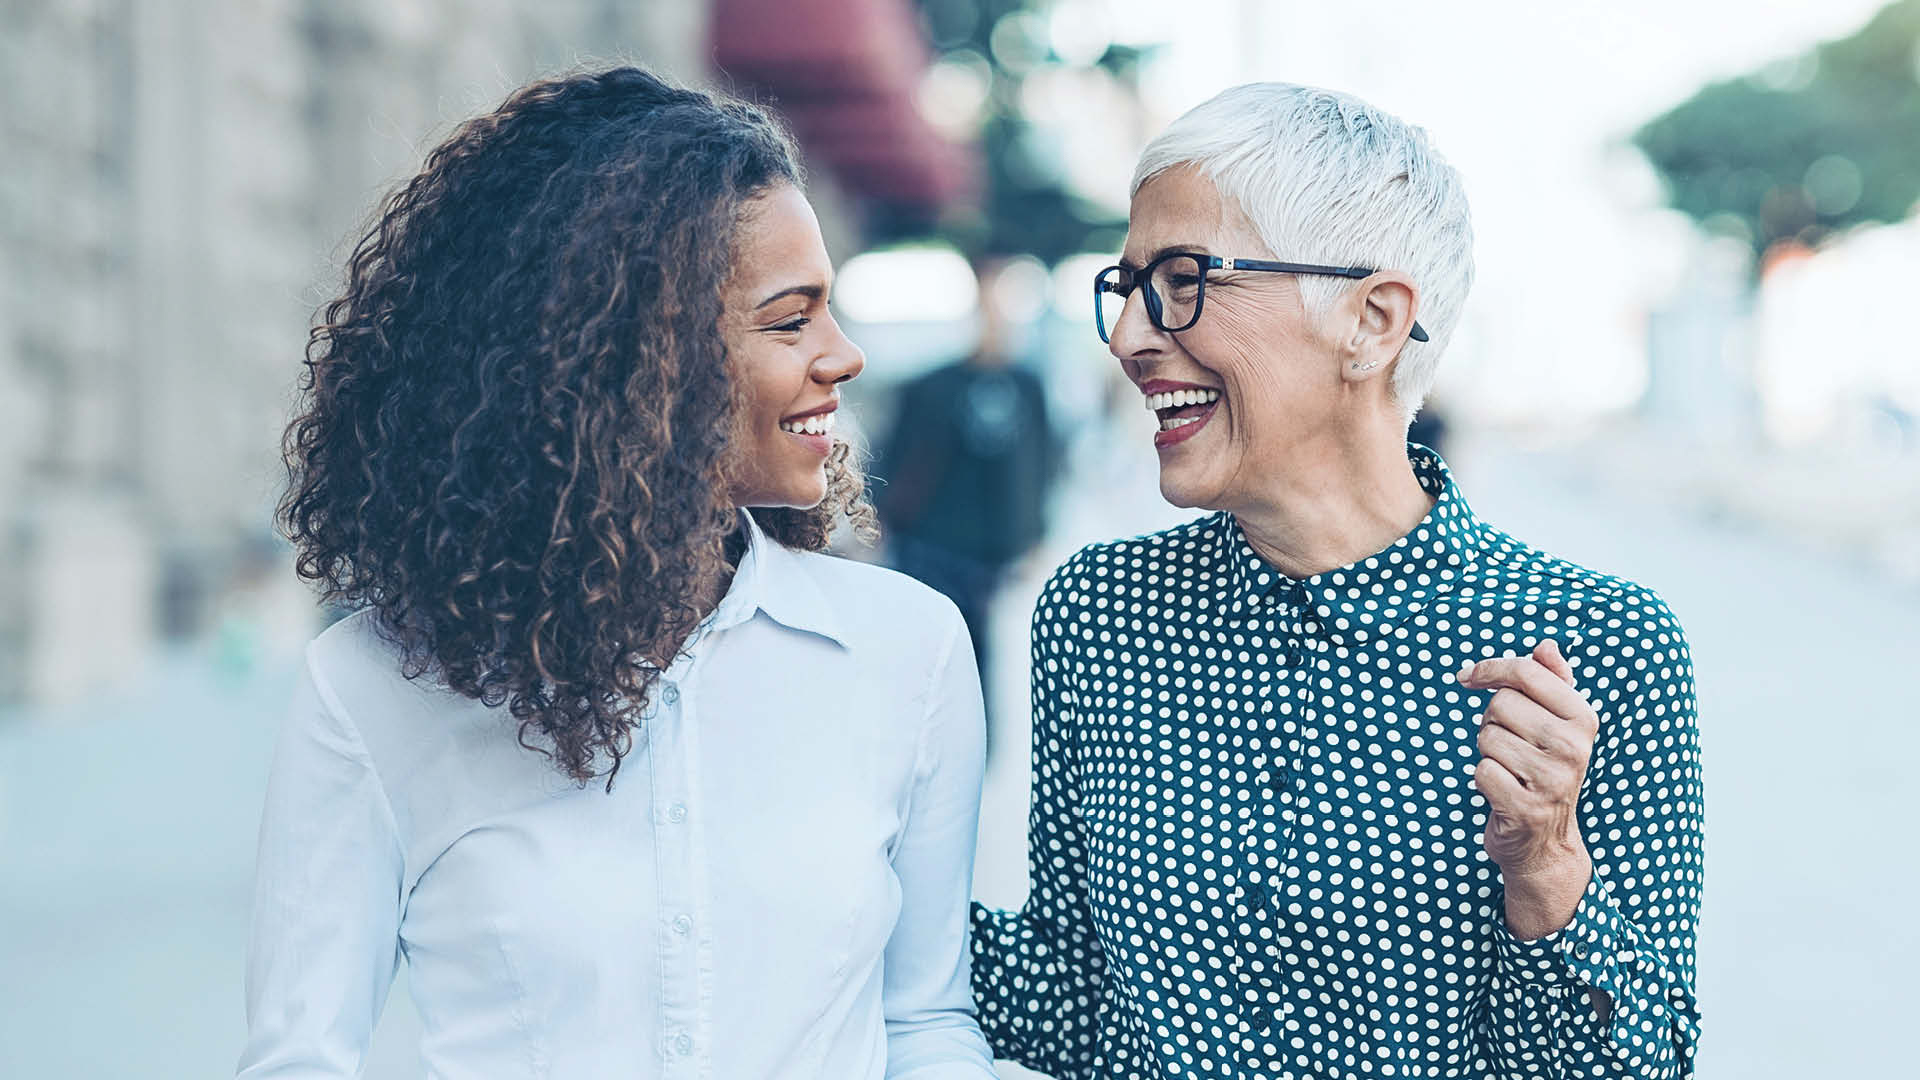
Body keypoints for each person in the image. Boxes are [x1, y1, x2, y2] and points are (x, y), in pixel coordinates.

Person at [239, 67, 996, 1078]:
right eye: (789, 320)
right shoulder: (373, 691)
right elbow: (299, 1058)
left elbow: (924, 1023)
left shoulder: (910, 650)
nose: (844, 354)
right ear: (644, 362)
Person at [969, 83, 1703, 1079]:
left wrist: (1548, 872)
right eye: (1127, 284)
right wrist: (845, 846)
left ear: (1372, 319)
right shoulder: (1098, 613)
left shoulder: (1597, 646)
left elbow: (1638, 1067)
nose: (1130, 337)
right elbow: (1069, 1002)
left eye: (1182, 278)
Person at [874, 258, 1060, 738]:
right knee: (923, 652)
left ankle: (972, 747)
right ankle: (914, 739)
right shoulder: (932, 385)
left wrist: (1034, 534)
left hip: (989, 554)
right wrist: (886, 522)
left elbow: (1043, 463)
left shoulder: (1028, 386)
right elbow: (897, 457)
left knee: (977, 658)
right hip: (930, 544)